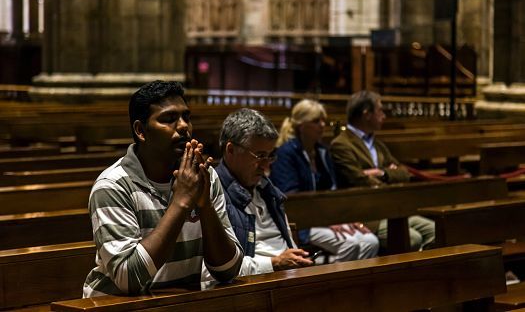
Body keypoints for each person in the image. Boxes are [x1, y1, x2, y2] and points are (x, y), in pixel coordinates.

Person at [83, 81, 243, 297]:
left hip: (177, 304)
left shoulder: (204, 177)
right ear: (141, 131)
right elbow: (128, 279)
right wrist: (181, 202)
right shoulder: (113, 185)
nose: (184, 126)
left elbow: (228, 270)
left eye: (186, 117)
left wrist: (204, 206)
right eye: (168, 119)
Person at [270, 99, 379, 262]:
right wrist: (326, 220)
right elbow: (291, 200)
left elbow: (333, 191)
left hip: (326, 219)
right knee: (351, 245)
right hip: (302, 223)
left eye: (323, 121)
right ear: (301, 126)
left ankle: (342, 278)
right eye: (316, 121)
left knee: (371, 242)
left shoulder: (322, 151)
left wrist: (344, 218)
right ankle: (327, 279)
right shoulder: (286, 154)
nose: (322, 125)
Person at [330, 90, 434, 251]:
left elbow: (404, 173)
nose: (384, 115)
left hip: (391, 210)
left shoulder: (377, 144)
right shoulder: (341, 144)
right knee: (413, 238)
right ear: (367, 114)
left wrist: (381, 173)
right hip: (367, 215)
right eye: (380, 110)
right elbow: (358, 179)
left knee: (434, 231)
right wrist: (389, 175)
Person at [215, 108, 314, 275]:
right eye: (260, 155)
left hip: (289, 277)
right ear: (230, 150)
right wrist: (275, 263)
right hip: (256, 287)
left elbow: (289, 245)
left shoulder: (267, 189)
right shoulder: (213, 192)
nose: (266, 165)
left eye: (270, 155)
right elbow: (221, 269)